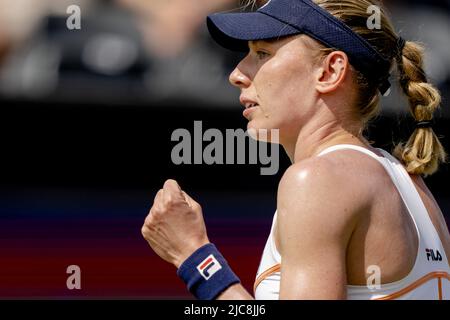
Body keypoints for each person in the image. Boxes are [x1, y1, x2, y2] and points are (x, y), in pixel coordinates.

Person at [141, 0, 450, 300]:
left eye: (262, 53)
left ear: (330, 71)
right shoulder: (413, 186)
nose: (237, 74)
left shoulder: (316, 180)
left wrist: (195, 257)